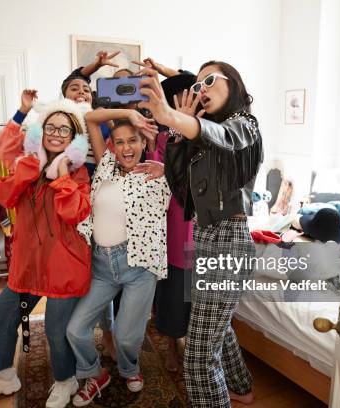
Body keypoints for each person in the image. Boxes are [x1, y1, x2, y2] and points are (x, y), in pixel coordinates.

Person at [138, 61, 263, 407]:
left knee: (197, 357)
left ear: (234, 84)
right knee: (217, 332)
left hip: (228, 240)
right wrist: (170, 157)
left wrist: (174, 119)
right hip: (207, 241)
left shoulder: (244, 125)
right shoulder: (206, 137)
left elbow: (225, 140)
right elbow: (186, 194)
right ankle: (241, 389)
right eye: (198, 86)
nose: (201, 90)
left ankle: (230, 392)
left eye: (209, 81)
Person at [0, 90, 92, 408]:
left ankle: (66, 381)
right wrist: (24, 113)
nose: (56, 133)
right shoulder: (27, 163)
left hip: (65, 264)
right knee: (0, 315)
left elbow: (75, 213)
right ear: (41, 132)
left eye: (64, 129)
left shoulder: (78, 173)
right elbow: (4, 195)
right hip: (29, 264)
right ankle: (2, 376)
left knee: (55, 329)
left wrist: (62, 178)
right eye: (50, 127)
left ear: (73, 137)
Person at [66, 108, 169, 407]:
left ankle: (129, 368)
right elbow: (92, 117)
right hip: (101, 266)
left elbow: (186, 170)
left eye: (132, 140)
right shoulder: (105, 166)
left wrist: (167, 170)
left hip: (138, 266)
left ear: (143, 141)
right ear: (113, 146)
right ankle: (95, 374)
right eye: (120, 141)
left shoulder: (157, 172)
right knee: (76, 330)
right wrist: (128, 114)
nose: (126, 147)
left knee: (126, 337)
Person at [134, 67, 197, 372]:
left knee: (196, 295)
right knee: (172, 293)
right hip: (171, 224)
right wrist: (149, 146)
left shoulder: (205, 132)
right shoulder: (160, 134)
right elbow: (153, 172)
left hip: (200, 227)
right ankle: (172, 345)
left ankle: (195, 348)